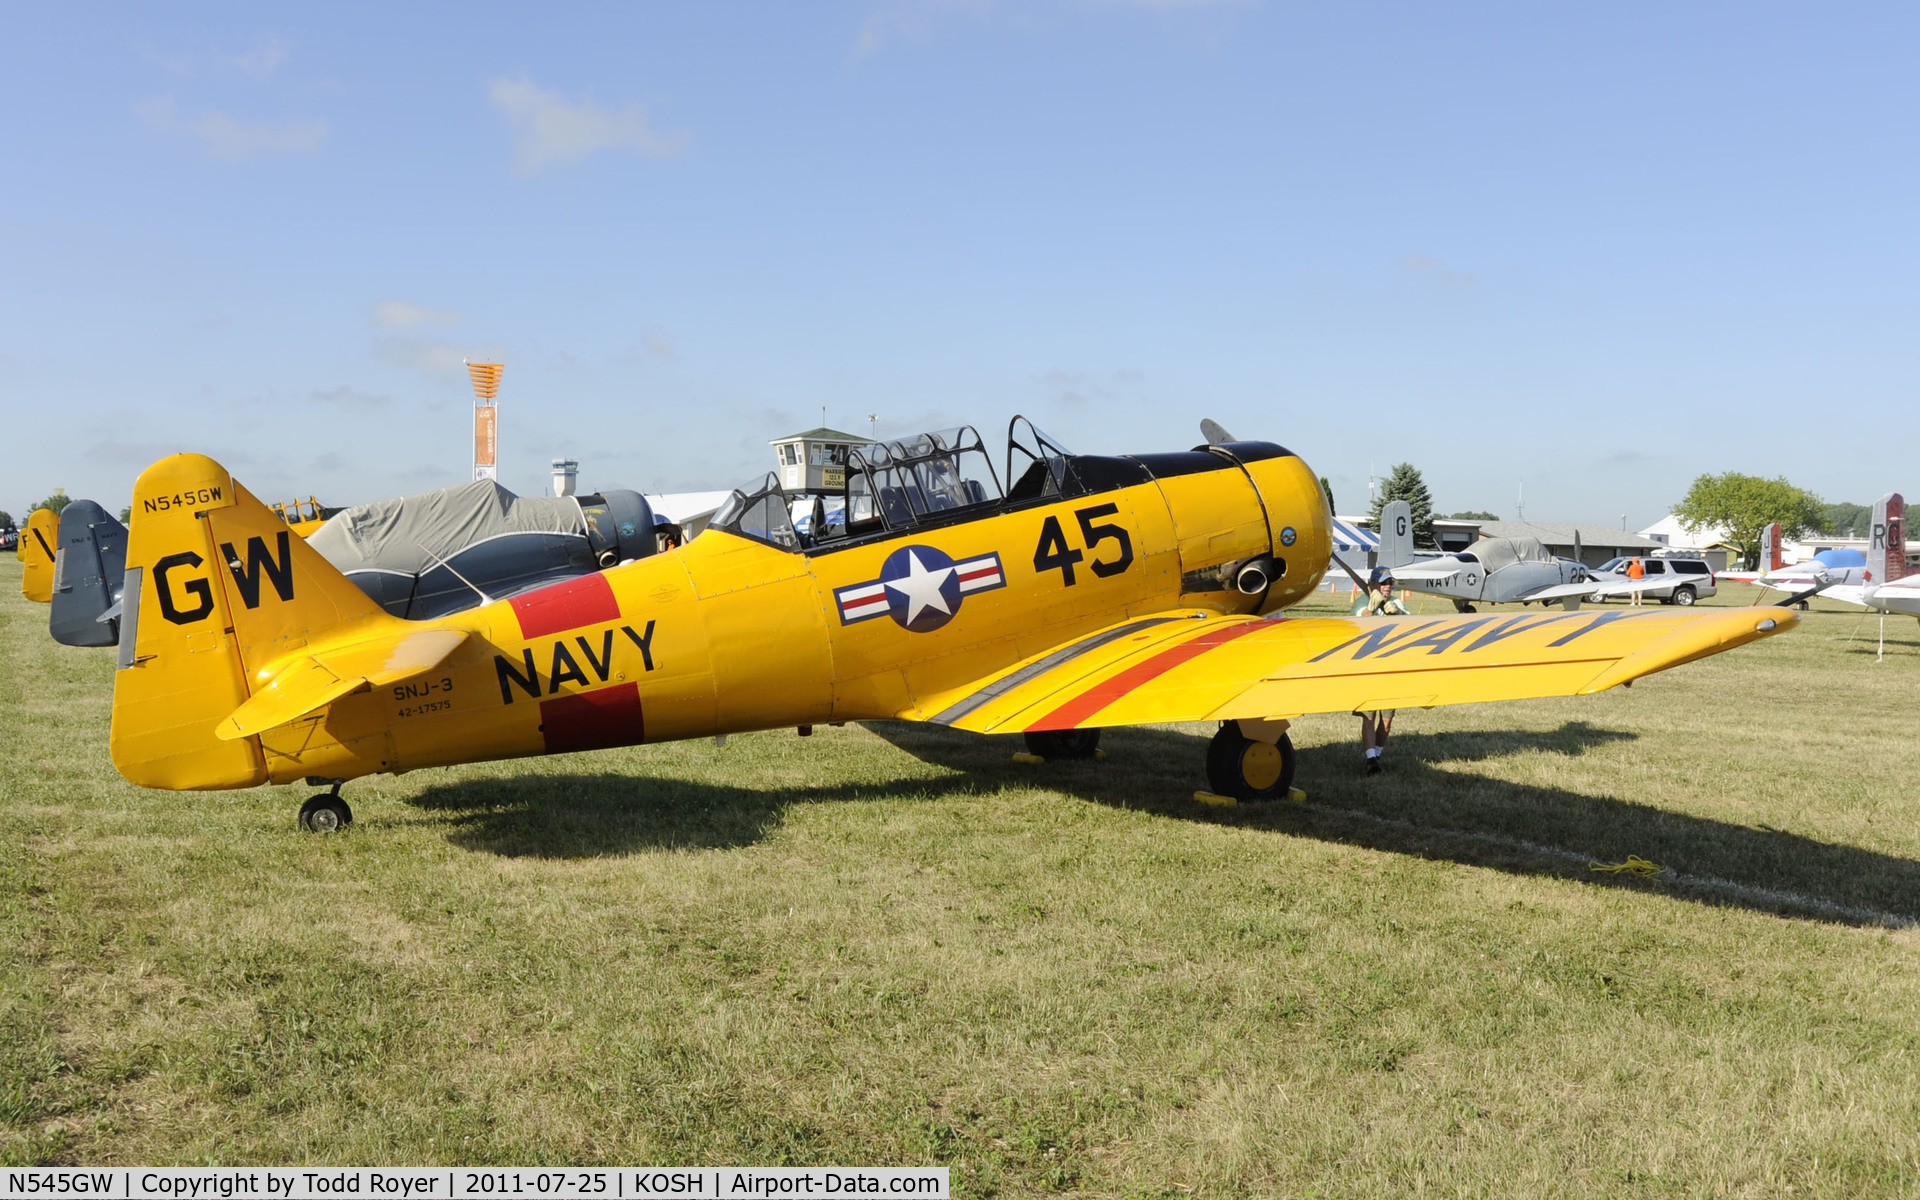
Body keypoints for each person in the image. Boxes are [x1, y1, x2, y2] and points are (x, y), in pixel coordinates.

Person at [1352, 566, 1407, 775]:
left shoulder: (1397, 602)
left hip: (1390, 668)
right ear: (1373, 585)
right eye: (1383, 583)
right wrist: (1371, 610)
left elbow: (1412, 626)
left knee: (1387, 720)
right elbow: (1356, 623)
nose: (1387, 587)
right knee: (1369, 716)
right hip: (1368, 667)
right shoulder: (1360, 603)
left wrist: (1399, 613)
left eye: (1390, 583)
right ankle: (1371, 760)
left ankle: (1377, 753)